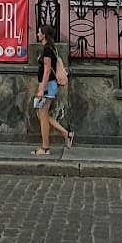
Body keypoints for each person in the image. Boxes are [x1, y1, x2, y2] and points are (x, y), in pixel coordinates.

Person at [31, 24, 74, 155]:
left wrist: (41, 89)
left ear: (44, 34)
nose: (37, 34)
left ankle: (45, 148)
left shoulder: (48, 50)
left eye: (39, 32)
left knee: (43, 115)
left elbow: (47, 70)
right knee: (43, 115)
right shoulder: (50, 48)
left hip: (48, 86)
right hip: (48, 85)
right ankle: (66, 134)